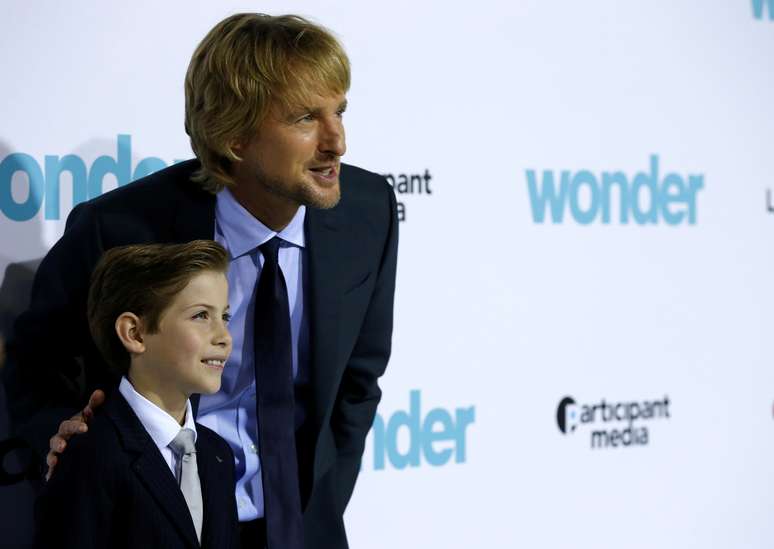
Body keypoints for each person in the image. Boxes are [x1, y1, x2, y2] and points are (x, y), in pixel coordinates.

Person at [4, 12, 398, 549]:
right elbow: (35, 362)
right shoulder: (117, 230)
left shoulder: (368, 213)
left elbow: (359, 380)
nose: (338, 142)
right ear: (234, 136)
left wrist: (319, 503)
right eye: (306, 118)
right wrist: (59, 435)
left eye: (340, 111)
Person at [36, 241, 239, 549]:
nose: (224, 337)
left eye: (225, 316)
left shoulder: (217, 454)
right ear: (134, 333)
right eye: (201, 315)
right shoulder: (92, 455)